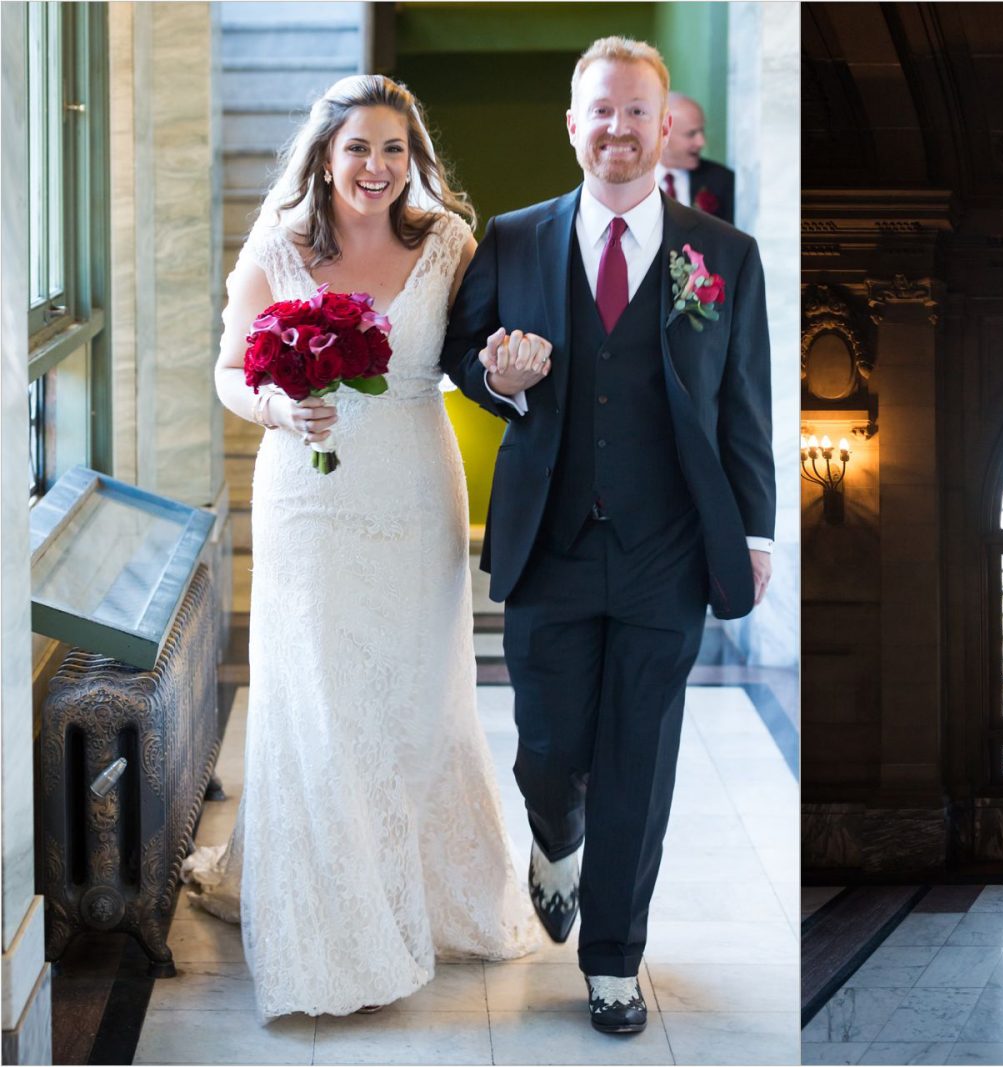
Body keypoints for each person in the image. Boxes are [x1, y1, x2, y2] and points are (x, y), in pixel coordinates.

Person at [440, 37, 776, 1034]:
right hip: (549, 537)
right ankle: (556, 835)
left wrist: (755, 532)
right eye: (602, 111)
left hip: (667, 547)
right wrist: (498, 375)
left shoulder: (723, 255)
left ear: (664, 125)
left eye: (638, 113)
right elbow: (464, 353)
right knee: (546, 747)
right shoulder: (511, 238)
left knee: (641, 750)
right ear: (572, 123)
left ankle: (615, 958)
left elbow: (745, 408)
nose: (619, 130)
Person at [190, 74, 539, 1020]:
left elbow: (471, 361)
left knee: (416, 701)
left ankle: (420, 896)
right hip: (309, 499)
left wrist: (506, 373)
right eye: (358, 149)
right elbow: (228, 368)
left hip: (417, 494)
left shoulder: (451, 246)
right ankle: (333, 934)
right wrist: (272, 403)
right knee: (321, 704)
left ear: (413, 157)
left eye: (394, 149)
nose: (376, 167)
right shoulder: (279, 246)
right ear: (325, 157)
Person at [656, 91, 736, 223]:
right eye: (691, 134)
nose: (701, 142)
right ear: (662, 134)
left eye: (701, 131)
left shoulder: (723, 180)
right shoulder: (630, 179)